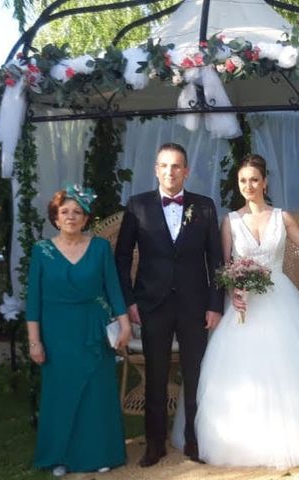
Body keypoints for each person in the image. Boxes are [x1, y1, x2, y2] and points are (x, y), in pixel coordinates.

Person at [191, 154, 299, 471]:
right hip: (245, 306)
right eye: (243, 180)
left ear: (265, 182)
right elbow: (222, 267)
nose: (248, 186)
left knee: (294, 367)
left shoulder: (281, 218)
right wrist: (234, 290)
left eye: (254, 180)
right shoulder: (230, 221)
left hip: (280, 299)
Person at [115, 143, 224, 467]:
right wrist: (129, 301)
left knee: (195, 374)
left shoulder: (204, 207)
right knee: (156, 375)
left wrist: (215, 304)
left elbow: (216, 259)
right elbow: (121, 258)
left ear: (186, 171)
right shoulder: (138, 206)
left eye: (176, 166)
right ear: (155, 169)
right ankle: (154, 444)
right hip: (152, 304)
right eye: (164, 165)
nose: (170, 172)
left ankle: (194, 441)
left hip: (195, 304)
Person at [25, 185, 131, 477]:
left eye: (78, 212)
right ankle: (60, 456)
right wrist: (34, 342)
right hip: (56, 334)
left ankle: (101, 453)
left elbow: (113, 288)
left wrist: (124, 324)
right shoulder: (42, 251)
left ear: (86, 219)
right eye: (65, 212)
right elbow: (33, 300)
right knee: (60, 395)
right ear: (56, 218)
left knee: (97, 394)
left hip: (93, 330)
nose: (71, 217)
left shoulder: (99, 247)